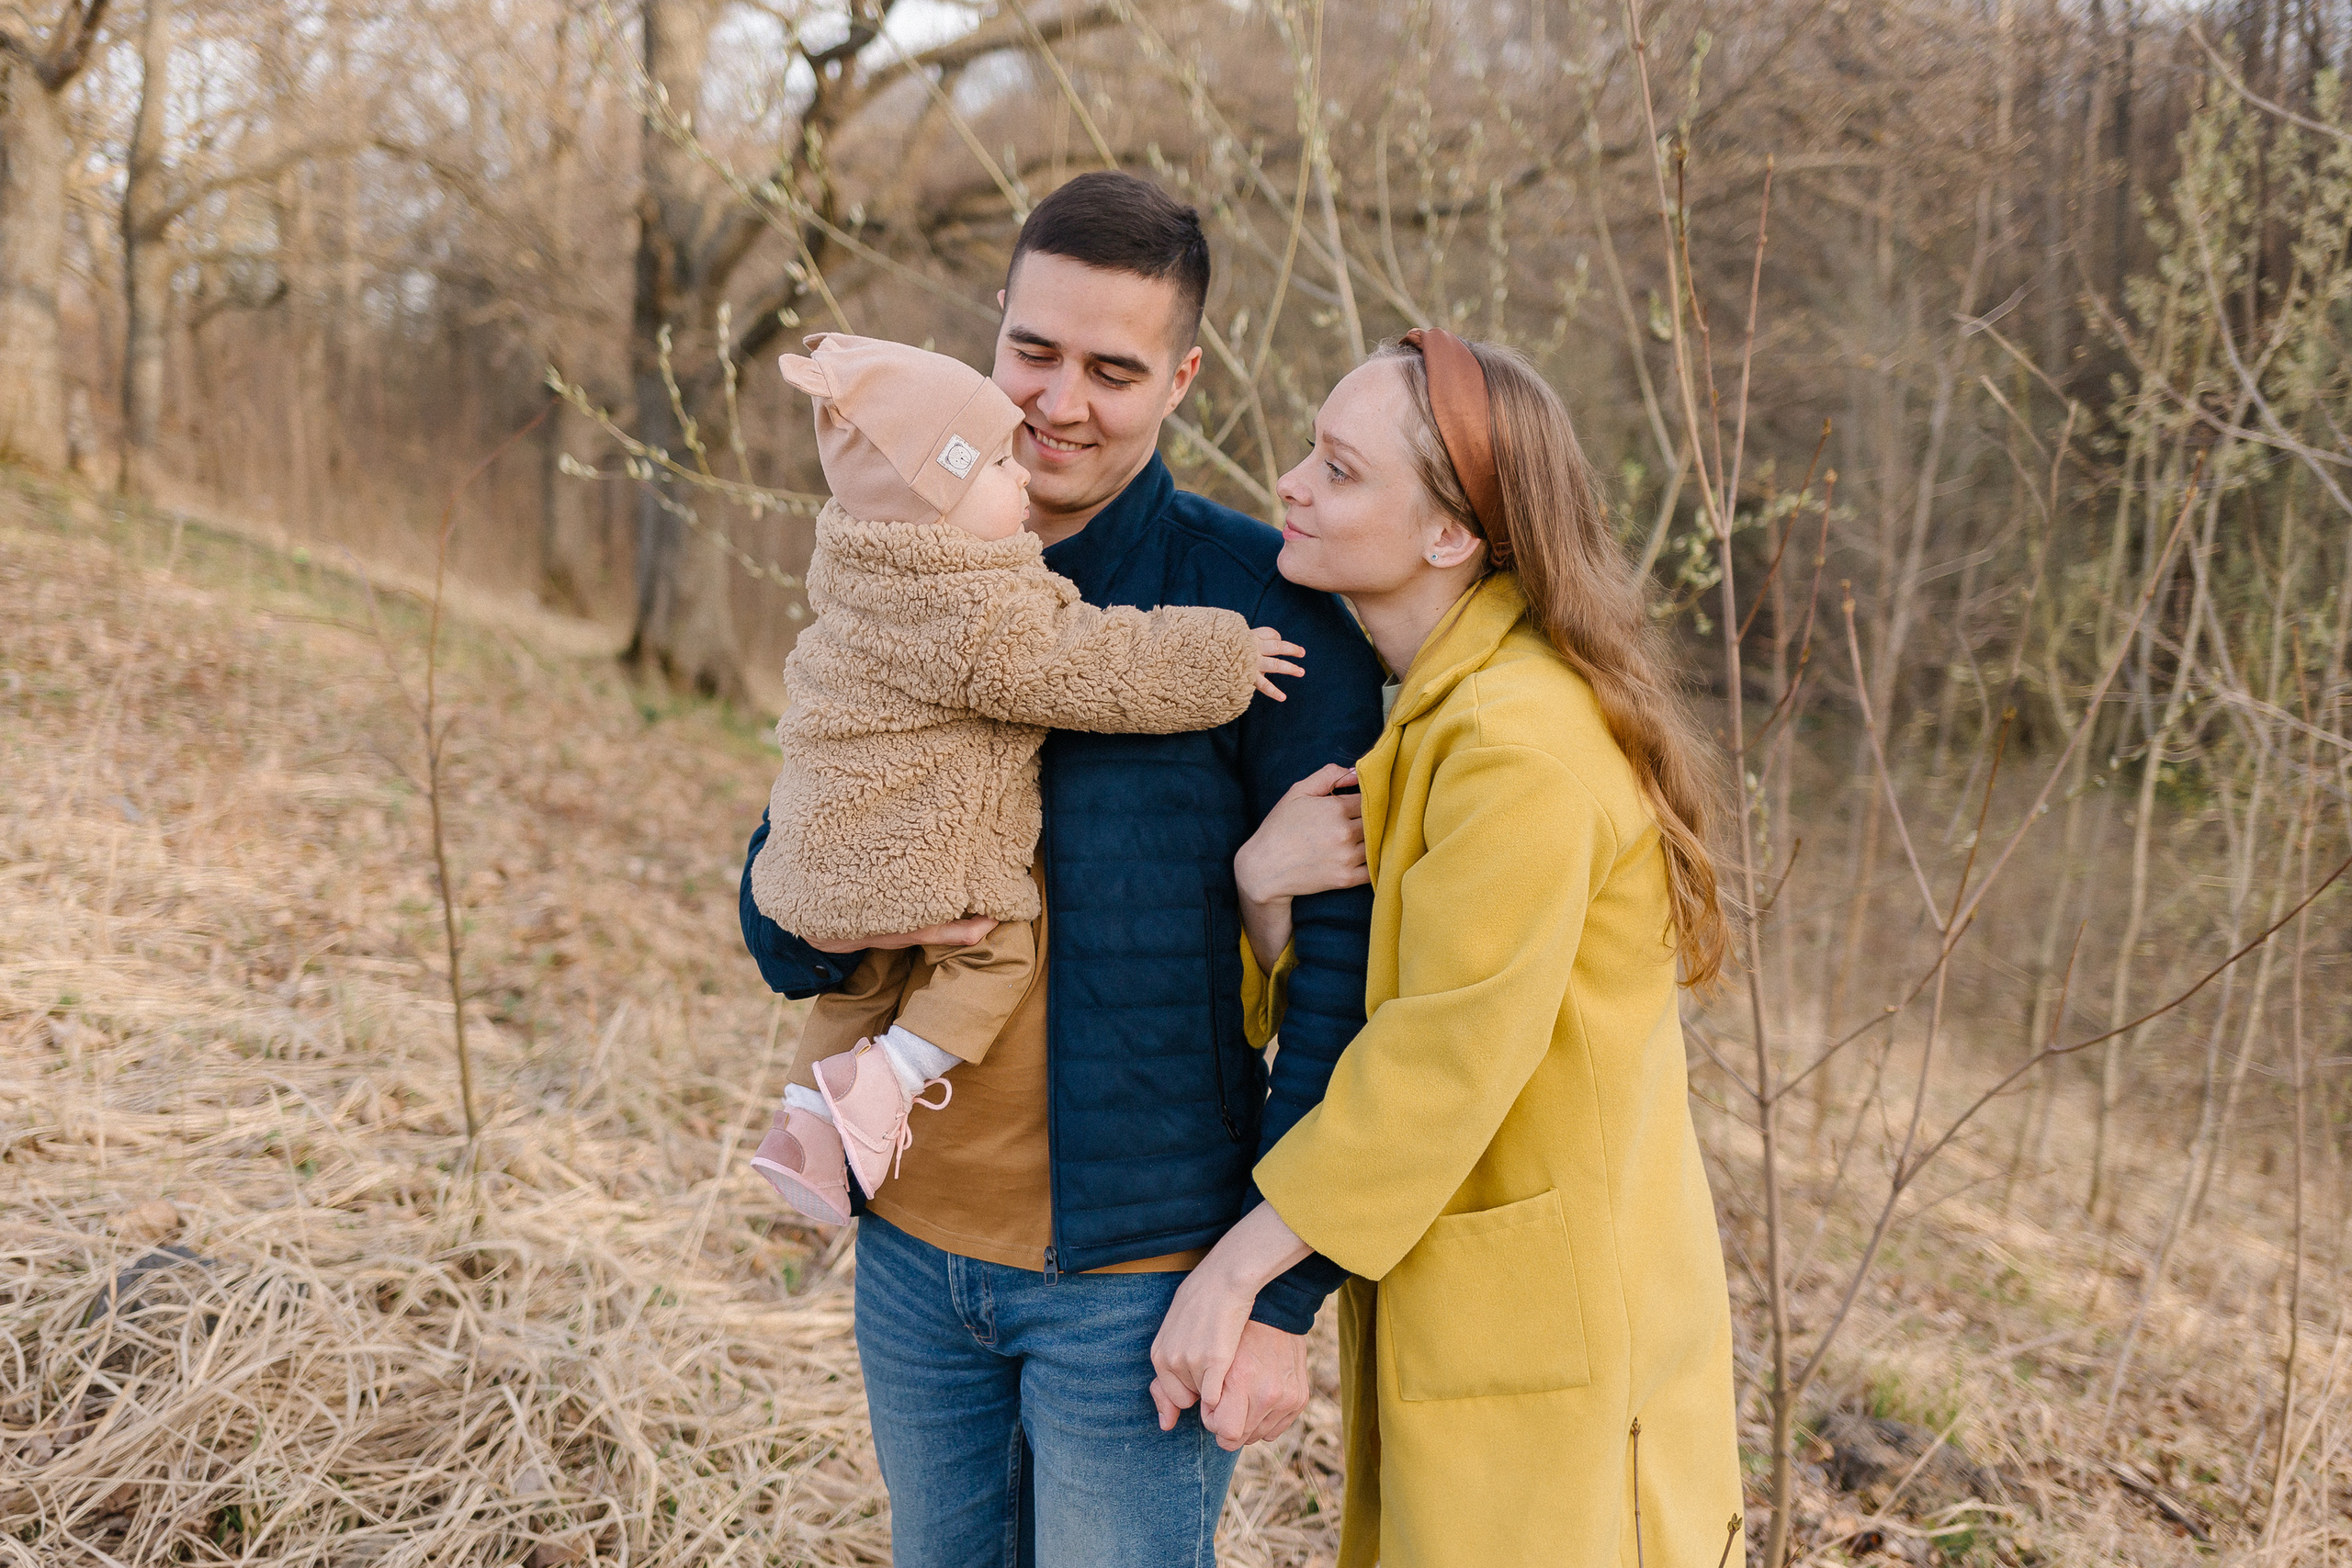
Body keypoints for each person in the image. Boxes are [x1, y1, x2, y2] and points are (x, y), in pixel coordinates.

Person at [736, 173, 1385, 1566]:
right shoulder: (895, 555)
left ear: (1182, 378)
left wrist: (1280, 1295)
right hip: (913, 1251)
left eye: (1113, 369)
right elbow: (794, 848)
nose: (1059, 402)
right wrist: (821, 930)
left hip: (1138, 1281)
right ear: (995, 331)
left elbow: (1349, 986)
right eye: (1033, 351)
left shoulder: (1262, 611)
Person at [1147, 330, 1745, 1566]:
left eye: (1339, 468)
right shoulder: (1441, 710)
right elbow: (1387, 990)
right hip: (1480, 1304)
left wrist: (1236, 1272)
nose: (1290, 484)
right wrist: (1263, 892)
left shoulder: (1515, 743)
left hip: (1563, 1336)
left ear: (1449, 534)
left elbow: (1443, 1054)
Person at [742, 333, 1303, 1223]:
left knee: (866, 980)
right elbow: (1097, 663)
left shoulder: (855, 568)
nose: (1024, 475)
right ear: (937, 503)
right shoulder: (975, 610)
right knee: (997, 954)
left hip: (831, 848)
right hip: (918, 857)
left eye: (1111, 369)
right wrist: (1224, 656)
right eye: (997, 467)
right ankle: (890, 1080)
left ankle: (805, 1127)